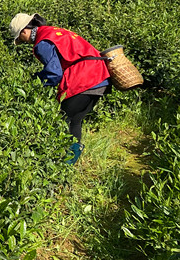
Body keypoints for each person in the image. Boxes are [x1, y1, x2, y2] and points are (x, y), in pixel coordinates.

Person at [9, 13, 110, 164]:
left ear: (24, 31)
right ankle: (69, 162)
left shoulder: (42, 43)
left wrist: (35, 83)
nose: (22, 42)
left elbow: (53, 73)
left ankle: (64, 164)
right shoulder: (53, 31)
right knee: (75, 120)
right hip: (101, 77)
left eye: (19, 38)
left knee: (63, 120)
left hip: (84, 78)